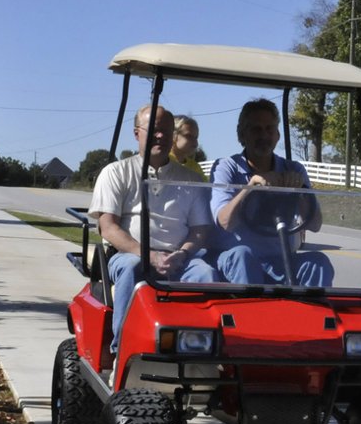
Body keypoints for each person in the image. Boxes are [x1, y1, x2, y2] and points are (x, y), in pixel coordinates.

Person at [90, 104, 218, 362]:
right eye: (154, 130)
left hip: (179, 258)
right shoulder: (116, 172)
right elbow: (108, 227)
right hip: (131, 254)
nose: (160, 136)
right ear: (137, 133)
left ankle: (199, 352)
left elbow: (200, 230)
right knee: (132, 268)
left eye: (166, 131)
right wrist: (148, 255)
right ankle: (122, 352)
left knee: (206, 274)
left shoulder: (191, 180)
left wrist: (183, 253)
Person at [208, 98, 333, 288]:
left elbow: (315, 225)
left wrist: (299, 191)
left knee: (318, 262)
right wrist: (250, 188)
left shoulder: (294, 169)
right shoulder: (227, 167)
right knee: (243, 256)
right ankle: (250, 307)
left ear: (277, 135)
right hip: (238, 261)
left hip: (282, 260)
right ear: (242, 134)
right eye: (256, 129)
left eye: (269, 129)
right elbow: (225, 222)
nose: (264, 135)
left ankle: (309, 307)